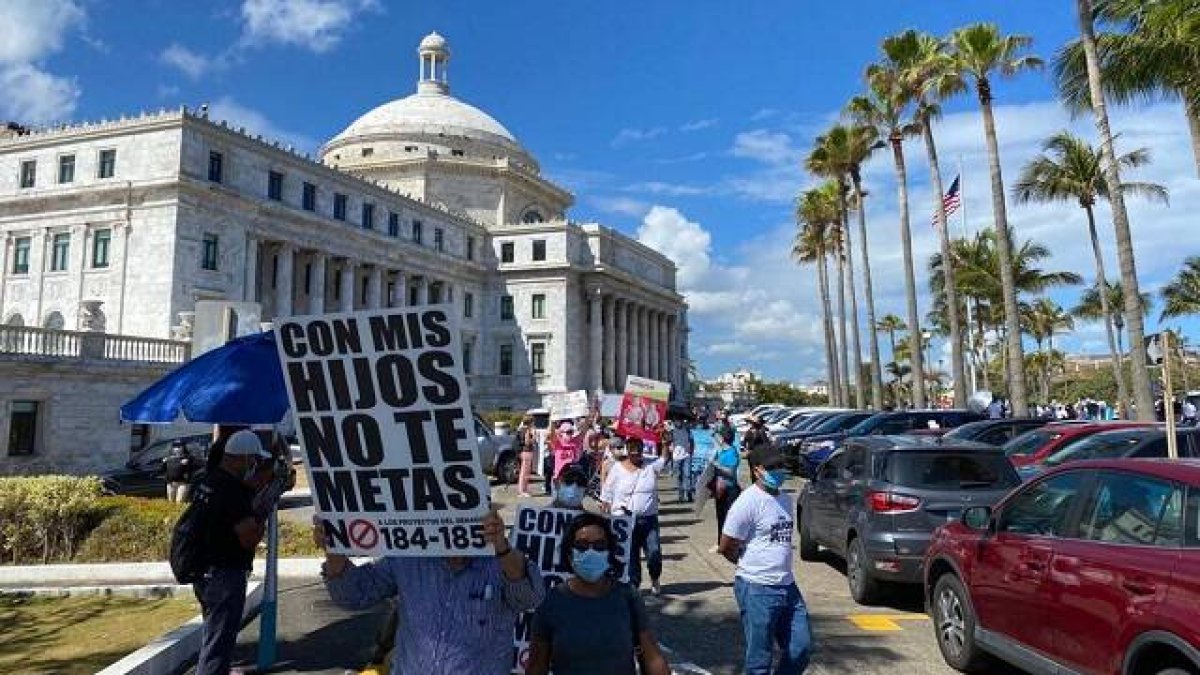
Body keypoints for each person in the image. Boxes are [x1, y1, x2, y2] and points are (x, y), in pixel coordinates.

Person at [316, 509, 544, 675]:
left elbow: (530, 598)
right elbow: (354, 594)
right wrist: (334, 551)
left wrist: (502, 548)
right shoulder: (410, 558)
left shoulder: (500, 563)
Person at [525, 513, 670, 675]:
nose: (591, 552)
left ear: (609, 553)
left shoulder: (628, 597)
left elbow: (652, 657)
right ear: (569, 553)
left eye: (600, 546)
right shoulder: (551, 602)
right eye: (582, 546)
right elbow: (536, 665)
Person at [719, 445, 812, 675]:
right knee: (759, 660)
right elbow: (726, 545)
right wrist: (750, 565)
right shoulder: (747, 502)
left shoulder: (785, 500)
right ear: (757, 470)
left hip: (787, 586)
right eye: (773, 467)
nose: (779, 471)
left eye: (781, 465)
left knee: (801, 648)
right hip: (756, 588)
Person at [193, 430, 271, 675]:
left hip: (204, 570)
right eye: (253, 460)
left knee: (214, 632)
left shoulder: (209, 481)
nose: (255, 465)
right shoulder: (232, 491)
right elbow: (249, 538)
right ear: (243, 457)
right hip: (225, 574)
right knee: (219, 640)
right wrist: (262, 513)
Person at [600, 437, 667, 595]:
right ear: (627, 450)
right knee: (632, 557)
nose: (635, 452)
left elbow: (664, 458)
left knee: (654, 553)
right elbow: (606, 495)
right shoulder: (617, 469)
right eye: (631, 448)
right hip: (624, 520)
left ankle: (655, 577)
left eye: (638, 448)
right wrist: (607, 514)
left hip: (648, 519)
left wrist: (665, 442)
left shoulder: (651, 465)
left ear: (642, 449)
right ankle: (634, 587)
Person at [709, 429, 742, 553]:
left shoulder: (732, 453)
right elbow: (717, 442)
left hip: (730, 490)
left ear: (724, 438)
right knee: (720, 517)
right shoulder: (723, 449)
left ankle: (730, 545)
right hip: (720, 490)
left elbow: (731, 472)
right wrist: (714, 435)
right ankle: (720, 543)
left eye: (720, 437)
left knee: (729, 518)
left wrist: (716, 465)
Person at [670, 420, 695, 503]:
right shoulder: (672, 432)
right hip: (676, 457)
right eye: (676, 421)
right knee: (679, 476)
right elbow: (669, 442)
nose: (678, 422)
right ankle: (681, 496)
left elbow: (692, 441)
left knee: (687, 474)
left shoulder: (687, 430)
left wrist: (691, 450)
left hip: (686, 456)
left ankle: (689, 494)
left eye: (679, 421)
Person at [517, 415, 537, 498]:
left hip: (523, 452)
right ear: (530, 422)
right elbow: (527, 442)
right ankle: (522, 491)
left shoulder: (521, 429)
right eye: (533, 422)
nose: (534, 423)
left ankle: (523, 489)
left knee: (524, 472)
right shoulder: (527, 430)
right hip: (527, 452)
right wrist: (534, 437)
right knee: (525, 472)